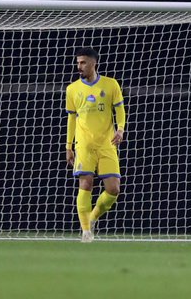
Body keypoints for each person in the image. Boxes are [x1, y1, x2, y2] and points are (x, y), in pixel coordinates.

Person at [65, 46, 125, 242]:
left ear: (93, 63)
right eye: (78, 63)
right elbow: (71, 119)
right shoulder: (72, 89)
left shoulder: (110, 84)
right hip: (84, 145)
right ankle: (86, 232)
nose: (79, 66)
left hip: (107, 143)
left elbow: (119, 109)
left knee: (114, 189)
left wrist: (120, 129)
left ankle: (92, 217)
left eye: (83, 63)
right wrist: (68, 146)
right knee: (85, 183)